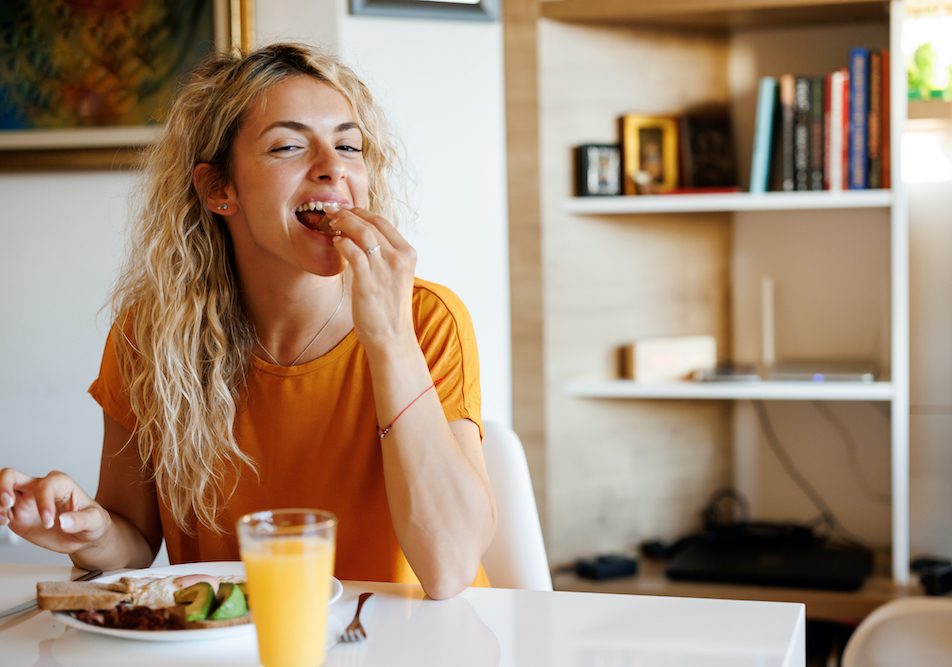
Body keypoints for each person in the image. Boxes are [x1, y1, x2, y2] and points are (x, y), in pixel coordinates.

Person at [0, 43, 496, 600]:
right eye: (288, 146)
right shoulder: (150, 336)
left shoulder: (427, 319)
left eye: (348, 146)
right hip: (238, 646)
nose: (333, 166)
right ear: (219, 190)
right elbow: (135, 541)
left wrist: (389, 337)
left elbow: (450, 569)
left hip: (409, 645)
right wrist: (84, 532)